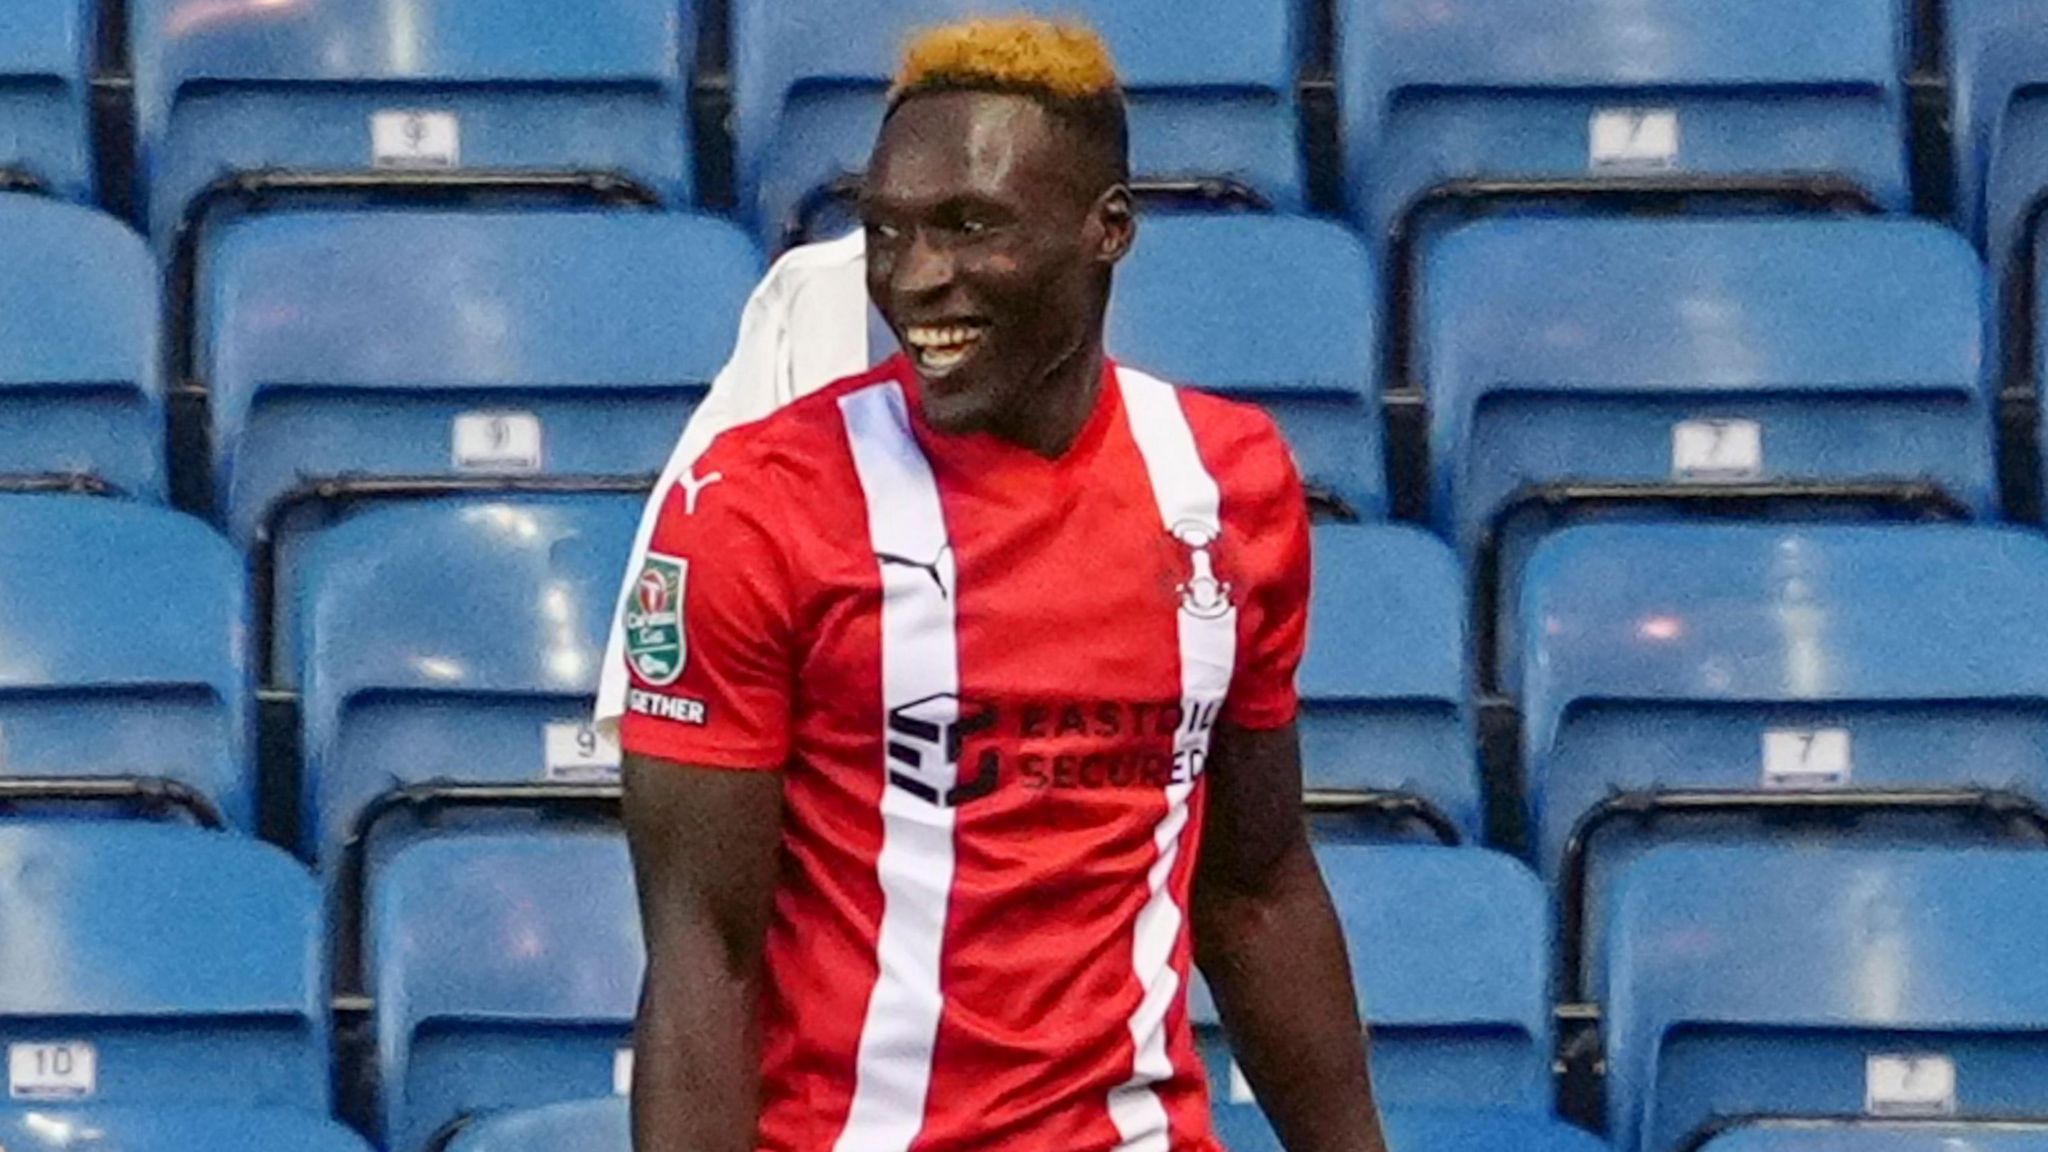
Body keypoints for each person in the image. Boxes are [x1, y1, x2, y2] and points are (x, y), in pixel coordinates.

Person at [617, 16, 1388, 1152]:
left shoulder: (1226, 483)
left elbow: (1256, 888)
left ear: (1105, 232)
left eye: (968, 228)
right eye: (887, 232)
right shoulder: (749, 505)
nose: (915, 281)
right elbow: (701, 961)